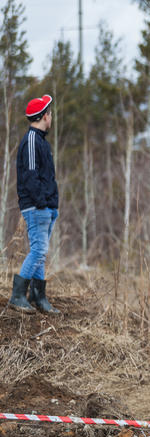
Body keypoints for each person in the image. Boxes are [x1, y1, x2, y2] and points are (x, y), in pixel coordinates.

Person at [8, 94, 60, 315]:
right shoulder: (31, 140)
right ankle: (17, 296)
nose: (51, 117)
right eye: (50, 114)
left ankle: (38, 296)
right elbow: (30, 176)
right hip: (37, 207)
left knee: (41, 252)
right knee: (39, 250)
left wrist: (52, 205)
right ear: (43, 116)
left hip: (47, 206)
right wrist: (41, 204)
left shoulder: (41, 141)